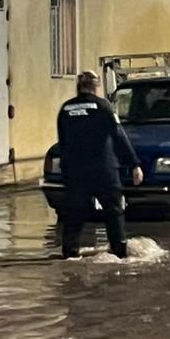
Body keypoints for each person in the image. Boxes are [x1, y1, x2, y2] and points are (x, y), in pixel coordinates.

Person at [57, 70, 143, 260]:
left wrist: (65, 170)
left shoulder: (65, 109)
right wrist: (134, 164)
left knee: (74, 214)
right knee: (113, 213)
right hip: (103, 170)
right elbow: (119, 136)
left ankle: (69, 253)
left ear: (78, 87)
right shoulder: (104, 107)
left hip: (76, 172)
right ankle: (119, 253)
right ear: (96, 87)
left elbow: (62, 143)